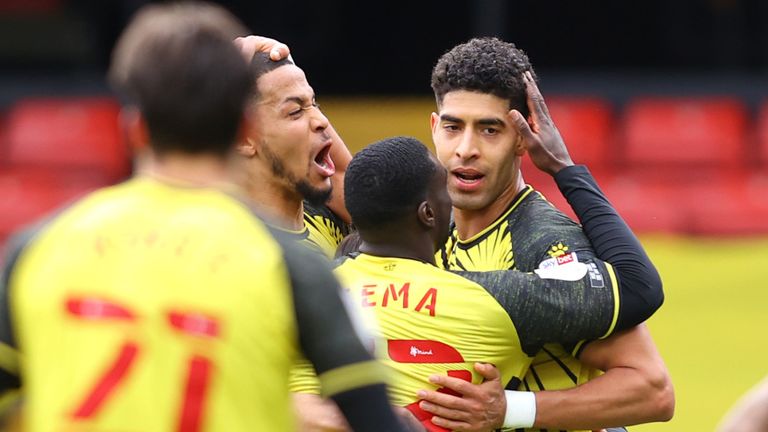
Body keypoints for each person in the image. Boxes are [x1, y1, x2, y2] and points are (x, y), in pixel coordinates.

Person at [0, 3, 410, 431]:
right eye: (295, 110)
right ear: (243, 131)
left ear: (134, 130)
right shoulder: (291, 265)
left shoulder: (37, 247)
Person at [292, 134, 664, 432]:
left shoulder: (312, 297)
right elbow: (636, 287)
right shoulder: (496, 298)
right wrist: (566, 170)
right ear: (428, 212)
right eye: (444, 192)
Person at [420, 37, 673, 431]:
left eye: (489, 130)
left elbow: (652, 390)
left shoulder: (546, 243)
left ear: (523, 138)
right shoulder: (426, 229)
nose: (465, 149)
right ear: (435, 128)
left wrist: (509, 411)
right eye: (454, 127)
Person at [234, 50, 352, 258]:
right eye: (295, 111)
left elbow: (346, 177)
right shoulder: (236, 250)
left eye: (314, 103)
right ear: (244, 137)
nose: (322, 121)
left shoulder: (323, 214)